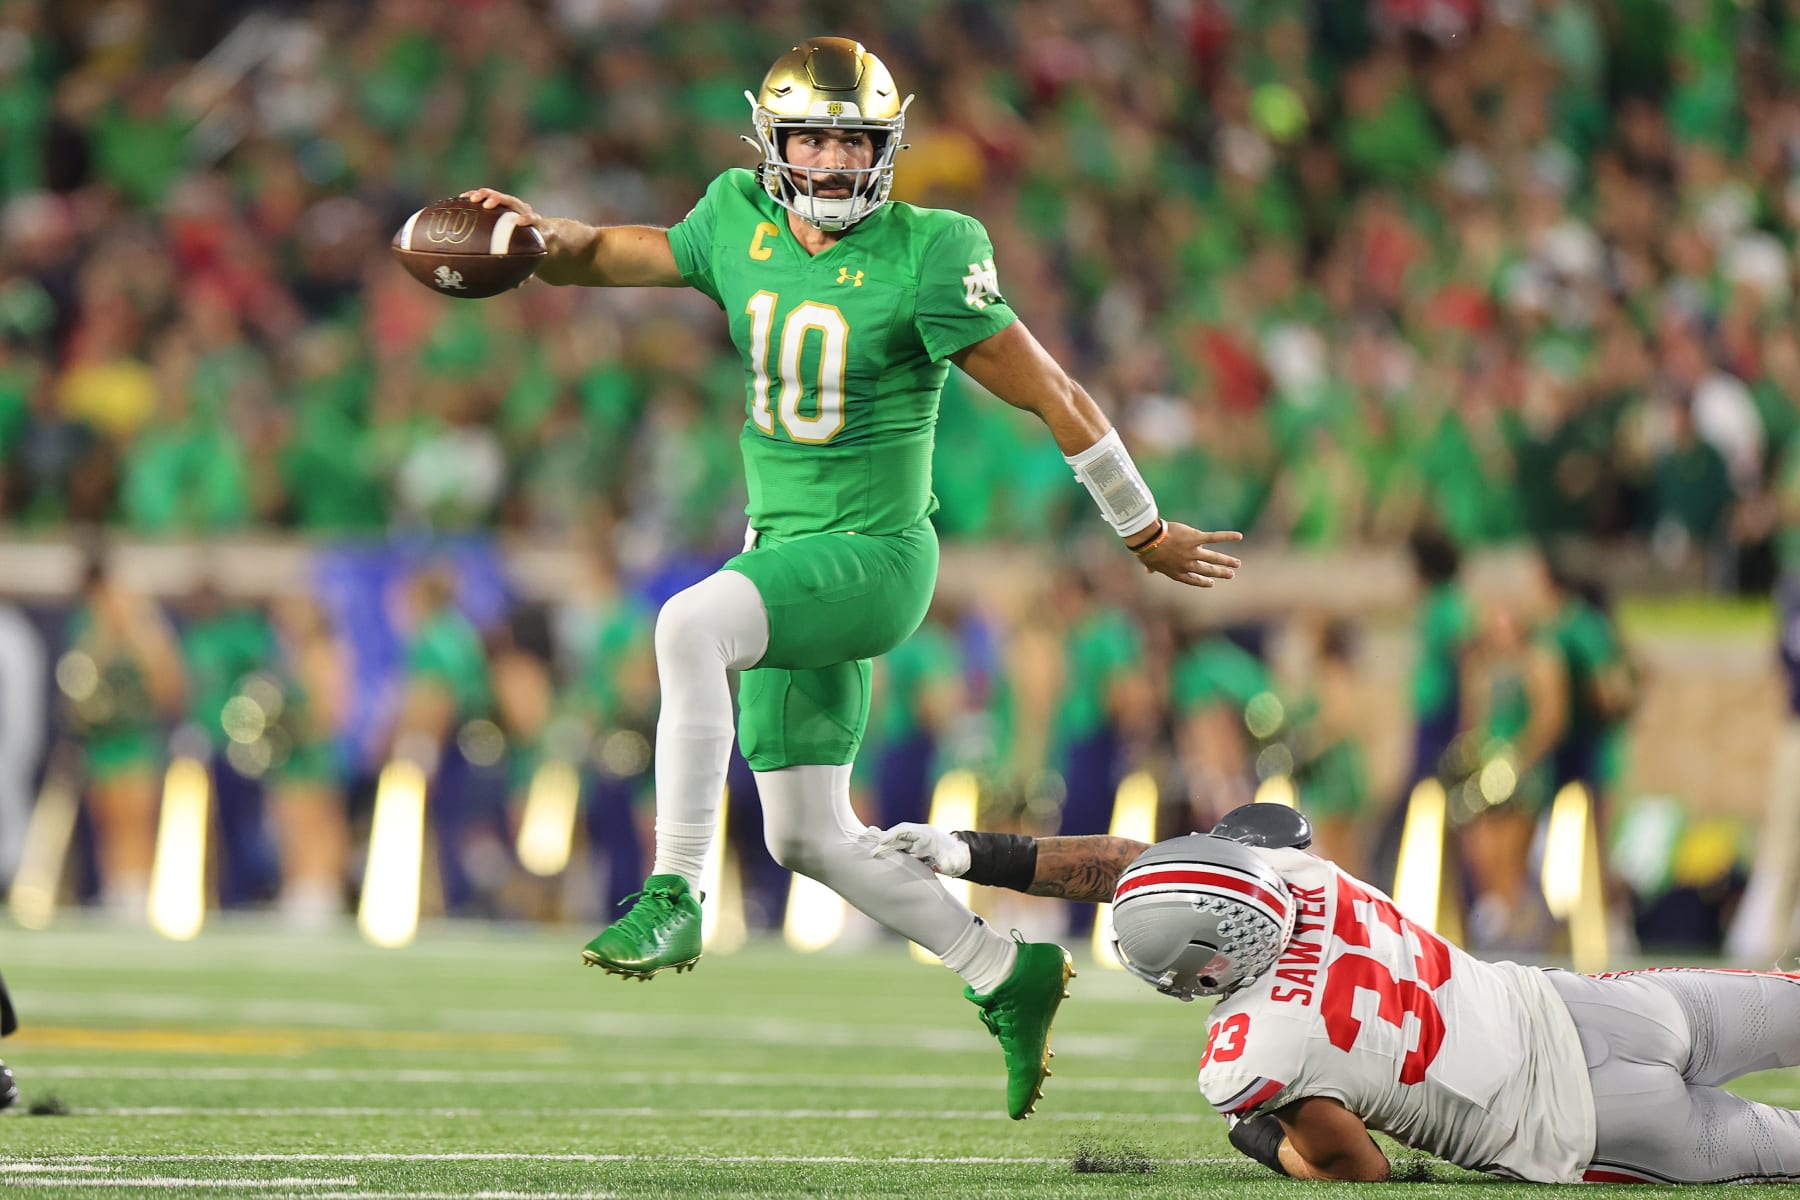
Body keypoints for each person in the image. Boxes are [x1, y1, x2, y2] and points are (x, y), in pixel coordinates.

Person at [461, 35, 1243, 1119]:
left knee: (688, 625)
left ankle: (676, 886)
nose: (833, 162)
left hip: (874, 557)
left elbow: (1055, 392)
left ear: (887, 148)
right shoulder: (735, 215)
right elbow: (609, 253)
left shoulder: (931, 251)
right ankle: (1001, 968)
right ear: (773, 144)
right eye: (813, 140)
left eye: (855, 142)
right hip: (782, 556)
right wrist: (536, 237)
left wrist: (1141, 525)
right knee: (805, 835)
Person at [880, 806, 1800, 1183]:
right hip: (1591, 1010)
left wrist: (1259, 1138)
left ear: (1205, 969)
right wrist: (971, 852)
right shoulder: (1293, 869)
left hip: (1582, 1129)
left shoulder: (1259, 1049)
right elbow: (1138, 867)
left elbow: (1359, 1171)